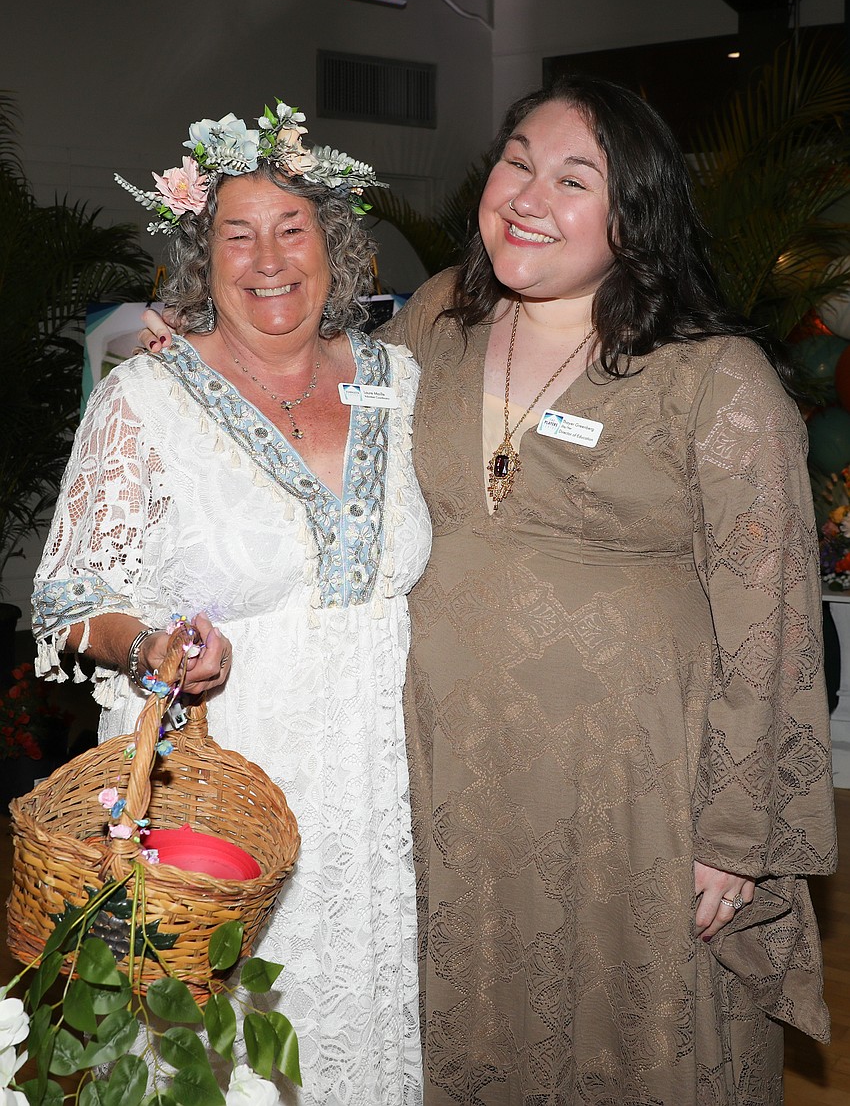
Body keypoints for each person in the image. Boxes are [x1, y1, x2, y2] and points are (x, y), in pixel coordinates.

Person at [142, 76, 837, 1105]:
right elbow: (311, 416)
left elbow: (772, 621)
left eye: (572, 179)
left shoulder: (716, 379)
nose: (527, 195)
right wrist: (202, 356)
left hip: (635, 800)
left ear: (632, 214)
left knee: (633, 1037)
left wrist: (736, 837)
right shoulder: (436, 324)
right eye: (517, 160)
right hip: (448, 781)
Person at [32, 102, 432, 1106]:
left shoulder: (405, 382)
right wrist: (150, 644)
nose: (267, 259)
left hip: (379, 785)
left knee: (358, 1032)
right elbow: (69, 596)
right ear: (198, 260)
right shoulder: (147, 396)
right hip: (220, 782)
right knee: (221, 1054)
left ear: (334, 247)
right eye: (235, 234)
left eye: (291, 229)